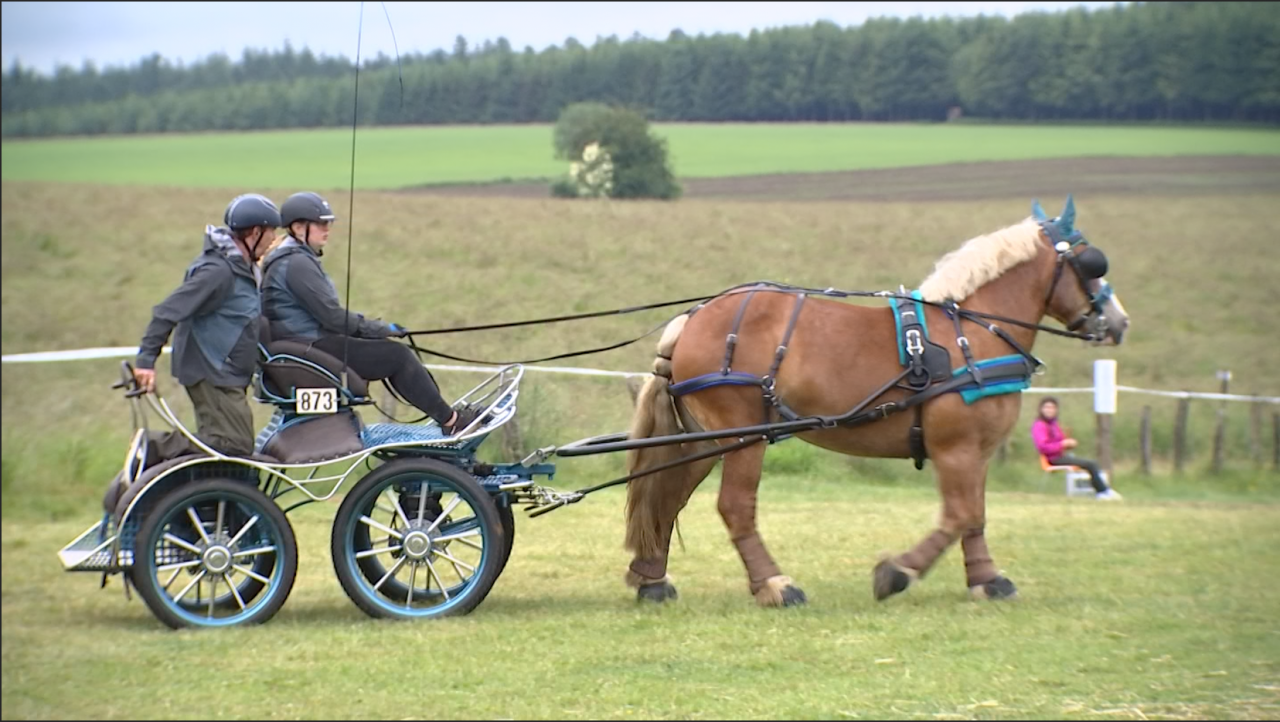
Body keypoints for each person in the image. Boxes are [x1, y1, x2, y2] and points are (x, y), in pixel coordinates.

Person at [104, 194, 282, 513]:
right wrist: (146, 361)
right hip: (211, 372)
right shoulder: (218, 271)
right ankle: (154, 447)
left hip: (224, 372)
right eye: (270, 232)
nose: (273, 239)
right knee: (231, 446)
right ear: (254, 233)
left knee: (228, 447)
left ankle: (203, 507)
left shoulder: (240, 268)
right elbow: (167, 312)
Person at [259, 191, 478, 435]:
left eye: (328, 223)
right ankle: (452, 422)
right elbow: (332, 317)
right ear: (299, 228)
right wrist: (378, 329)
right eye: (321, 224)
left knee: (387, 351)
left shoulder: (293, 259)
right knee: (396, 356)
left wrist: (372, 331)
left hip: (304, 343)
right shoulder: (297, 263)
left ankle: (449, 418)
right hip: (308, 347)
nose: (327, 229)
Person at [1031, 396, 1122, 500]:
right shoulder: (1040, 425)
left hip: (1060, 455)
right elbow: (1043, 447)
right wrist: (1062, 444)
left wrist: (1069, 444)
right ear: (1041, 409)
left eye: (1052, 407)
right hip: (1053, 459)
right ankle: (1102, 492)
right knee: (1091, 464)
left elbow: (1059, 441)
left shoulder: (1054, 424)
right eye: (1046, 407)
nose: (1049, 410)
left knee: (1090, 464)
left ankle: (1103, 491)